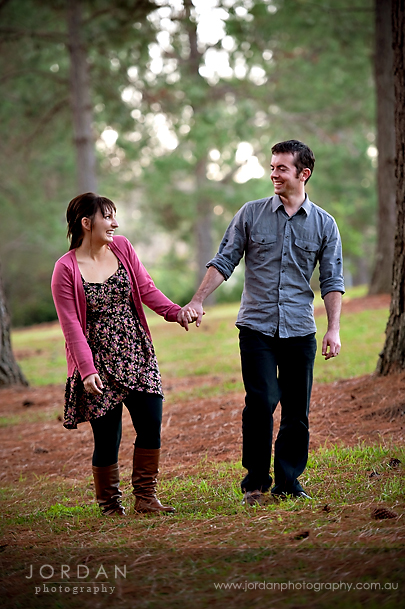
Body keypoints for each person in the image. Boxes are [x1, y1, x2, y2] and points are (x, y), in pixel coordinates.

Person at [181, 140, 345, 505]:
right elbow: (224, 260)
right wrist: (198, 299)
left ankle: (288, 482)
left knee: (297, 411)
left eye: (281, 168)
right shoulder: (250, 214)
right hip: (256, 327)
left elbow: (332, 280)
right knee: (261, 402)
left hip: (300, 330)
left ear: (303, 174)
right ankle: (255, 483)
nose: (274, 174)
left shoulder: (324, 224)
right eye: (272, 167)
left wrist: (333, 328)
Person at [51, 192, 196, 516]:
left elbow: (146, 288)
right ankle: (110, 504)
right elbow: (71, 325)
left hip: (136, 352)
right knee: (107, 438)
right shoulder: (65, 269)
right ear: (86, 223)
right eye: (107, 217)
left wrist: (176, 312)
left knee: (151, 424)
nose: (114, 223)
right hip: (98, 362)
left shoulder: (122, 248)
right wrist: (87, 369)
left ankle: (146, 497)